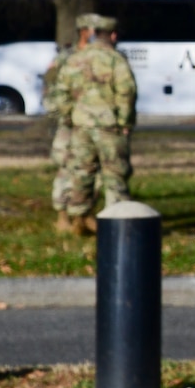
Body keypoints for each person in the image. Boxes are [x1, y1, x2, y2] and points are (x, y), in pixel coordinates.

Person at [56, 13, 136, 236]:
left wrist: (69, 116)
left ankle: (78, 219)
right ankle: (117, 223)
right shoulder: (115, 60)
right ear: (112, 35)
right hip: (109, 127)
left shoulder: (76, 58)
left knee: (81, 173)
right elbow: (126, 92)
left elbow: (61, 91)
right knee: (114, 174)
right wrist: (124, 122)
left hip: (80, 126)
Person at [43, 40, 75, 230]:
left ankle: (80, 216)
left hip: (88, 124)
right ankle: (62, 216)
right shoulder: (63, 60)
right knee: (65, 168)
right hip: (69, 125)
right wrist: (63, 113)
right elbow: (50, 95)